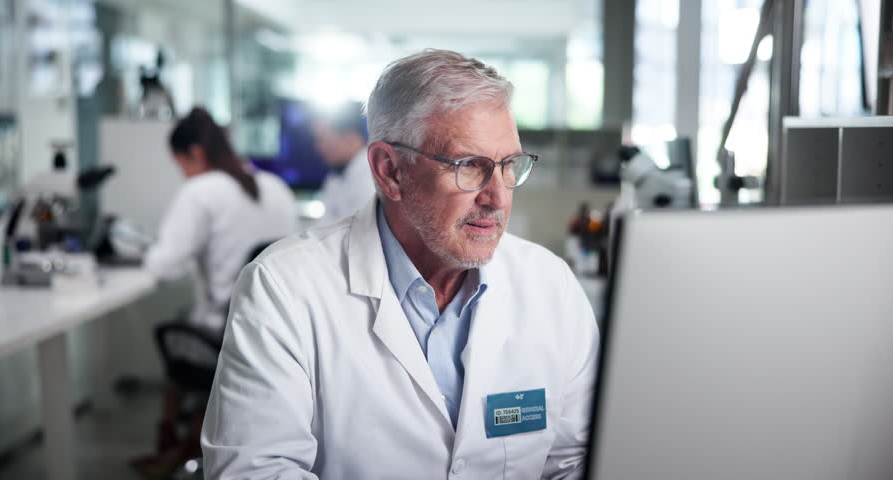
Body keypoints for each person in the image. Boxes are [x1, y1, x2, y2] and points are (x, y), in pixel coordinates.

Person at [202, 50, 599, 479]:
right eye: (469, 167)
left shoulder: (550, 285)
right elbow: (253, 471)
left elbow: (577, 460)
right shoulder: (282, 289)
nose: (497, 197)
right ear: (389, 171)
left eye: (509, 166)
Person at [133, 106, 299, 476]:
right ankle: (184, 443)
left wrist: (149, 251)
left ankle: (177, 445)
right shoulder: (275, 186)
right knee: (188, 320)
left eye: (181, 165)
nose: (183, 175)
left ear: (194, 153)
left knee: (182, 326)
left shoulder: (201, 191)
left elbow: (163, 266)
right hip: (278, 327)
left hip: (225, 330)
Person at [311, 101, 376, 225]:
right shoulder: (334, 178)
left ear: (350, 138)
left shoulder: (372, 177)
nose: (318, 147)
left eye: (322, 139)